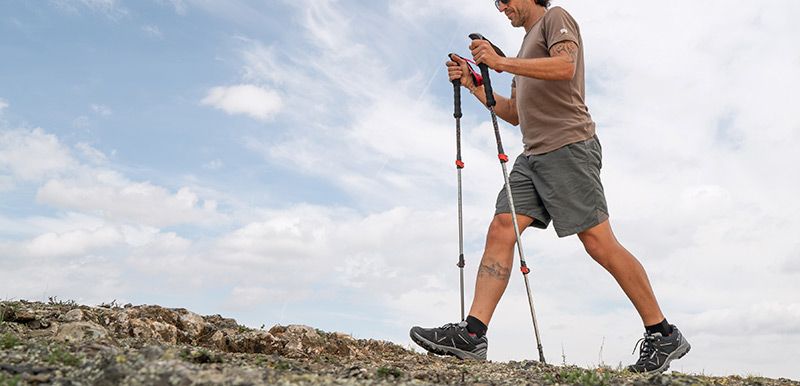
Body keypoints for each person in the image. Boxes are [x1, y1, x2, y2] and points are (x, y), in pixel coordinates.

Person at [410, 0, 690, 374]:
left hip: (568, 146)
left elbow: (565, 66)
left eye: (505, 0)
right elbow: (515, 115)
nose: (501, 7)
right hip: (533, 155)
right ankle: (473, 335)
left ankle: (663, 332)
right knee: (502, 227)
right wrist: (474, 83)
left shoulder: (555, 19)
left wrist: (499, 61)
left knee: (599, 243)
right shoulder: (524, 49)